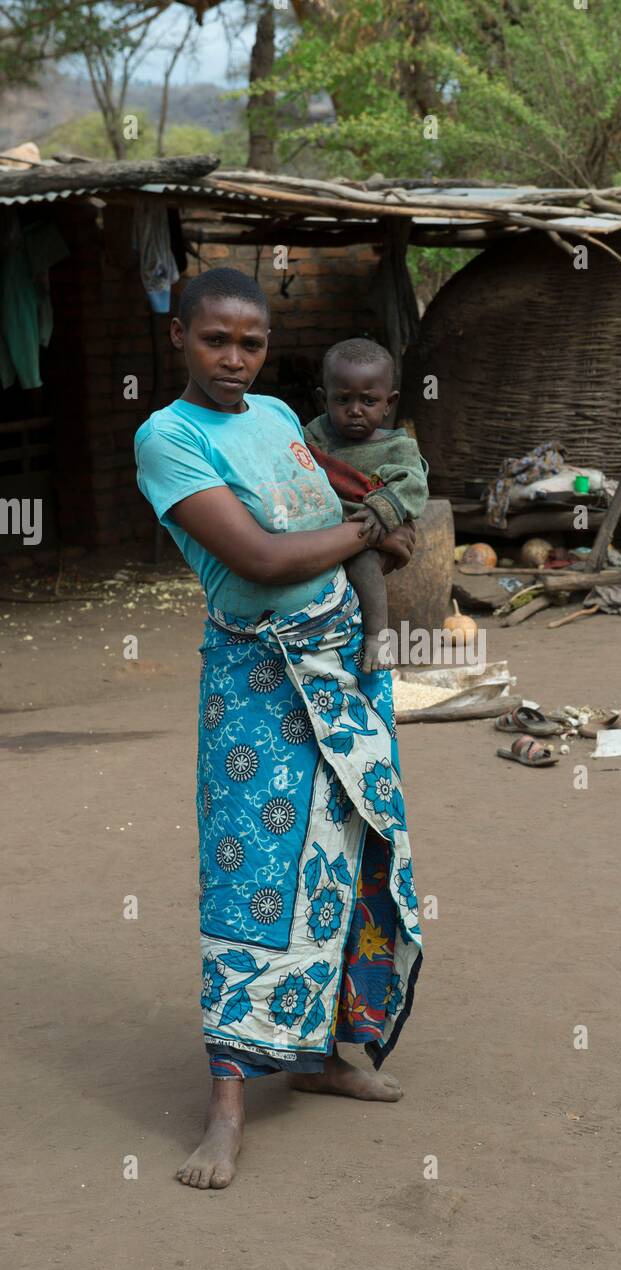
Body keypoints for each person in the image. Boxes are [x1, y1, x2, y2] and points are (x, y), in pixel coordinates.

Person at [134, 268, 423, 1191]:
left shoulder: (272, 422)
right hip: (258, 681)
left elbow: (343, 524)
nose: (233, 358)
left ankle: (332, 1053)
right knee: (251, 876)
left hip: (343, 666)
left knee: (346, 858)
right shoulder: (167, 436)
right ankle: (226, 1108)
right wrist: (375, 522)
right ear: (179, 335)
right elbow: (259, 559)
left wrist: (368, 527)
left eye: (250, 343)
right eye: (215, 339)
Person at [304, 339, 429, 670]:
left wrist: (382, 509)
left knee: (362, 562)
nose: (355, 409)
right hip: (324, 535)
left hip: (373, 536)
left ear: (389, 403)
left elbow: (413, 486)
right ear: (322, 398)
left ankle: (378, 638)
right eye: (342, 400)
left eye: (368, 401)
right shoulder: (312, 438)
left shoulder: (397, 447)